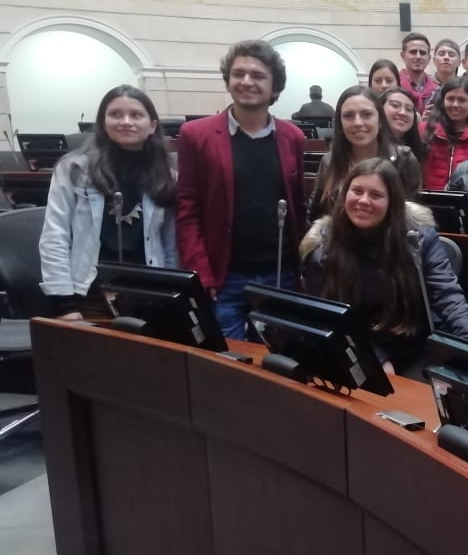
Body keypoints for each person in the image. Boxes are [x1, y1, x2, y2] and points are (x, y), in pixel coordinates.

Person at [300, 157, 468, 379]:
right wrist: (376, 356)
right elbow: (327, 315)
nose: (363, 201)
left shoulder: (419, 239)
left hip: (415, 347)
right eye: (356, 191)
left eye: (376, 195)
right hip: (354, 345)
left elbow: (448, 297)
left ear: (392, 202)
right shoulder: (323, 246)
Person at [176, 39, 306, 340]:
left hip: (280, 274)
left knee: (282, 363)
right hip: (225, 276)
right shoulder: (196, 135)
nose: (246, 81)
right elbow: (187, 210)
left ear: (275, 88)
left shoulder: (293, 137)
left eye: (258, 75)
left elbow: (297, 206)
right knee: (229, 367)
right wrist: (200, 273)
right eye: (238, 74)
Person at [39, 85, 178, 320]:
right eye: (115, 114)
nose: (125, 121)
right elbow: (55, 235)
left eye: (136, 115)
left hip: (149, 295)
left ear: (152, 125)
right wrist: (64, 304)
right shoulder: (73, 169)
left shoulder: (167, 175)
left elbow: (169, 243)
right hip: (88, 294)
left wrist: (173, 294)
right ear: (103, 123)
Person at [307, 86, 422, 224]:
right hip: (339, 242)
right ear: (340, 122)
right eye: (348, 116)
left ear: (380, 120)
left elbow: (412, 219)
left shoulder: (404, 159)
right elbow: (316, 215)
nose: (357, 123)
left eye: (366, 114)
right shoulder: (329, 161)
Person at [420, 76, 468, 190]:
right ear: (442, 101)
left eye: (462, 100)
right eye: (450, 99)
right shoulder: (423, 130)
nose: (455, 105)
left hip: (467, 204)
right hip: (427, 201)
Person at [379, 87, 425, 163]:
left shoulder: (419, 150)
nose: (403, 112)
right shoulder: (368, 145)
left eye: (409, 109)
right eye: (395, 105)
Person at [399, 32, 437, 115]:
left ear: (428, 58)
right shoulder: (394, 86)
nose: (418, 56)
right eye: (413, 52)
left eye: (422, 53)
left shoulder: (437, 91)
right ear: (403, 56)